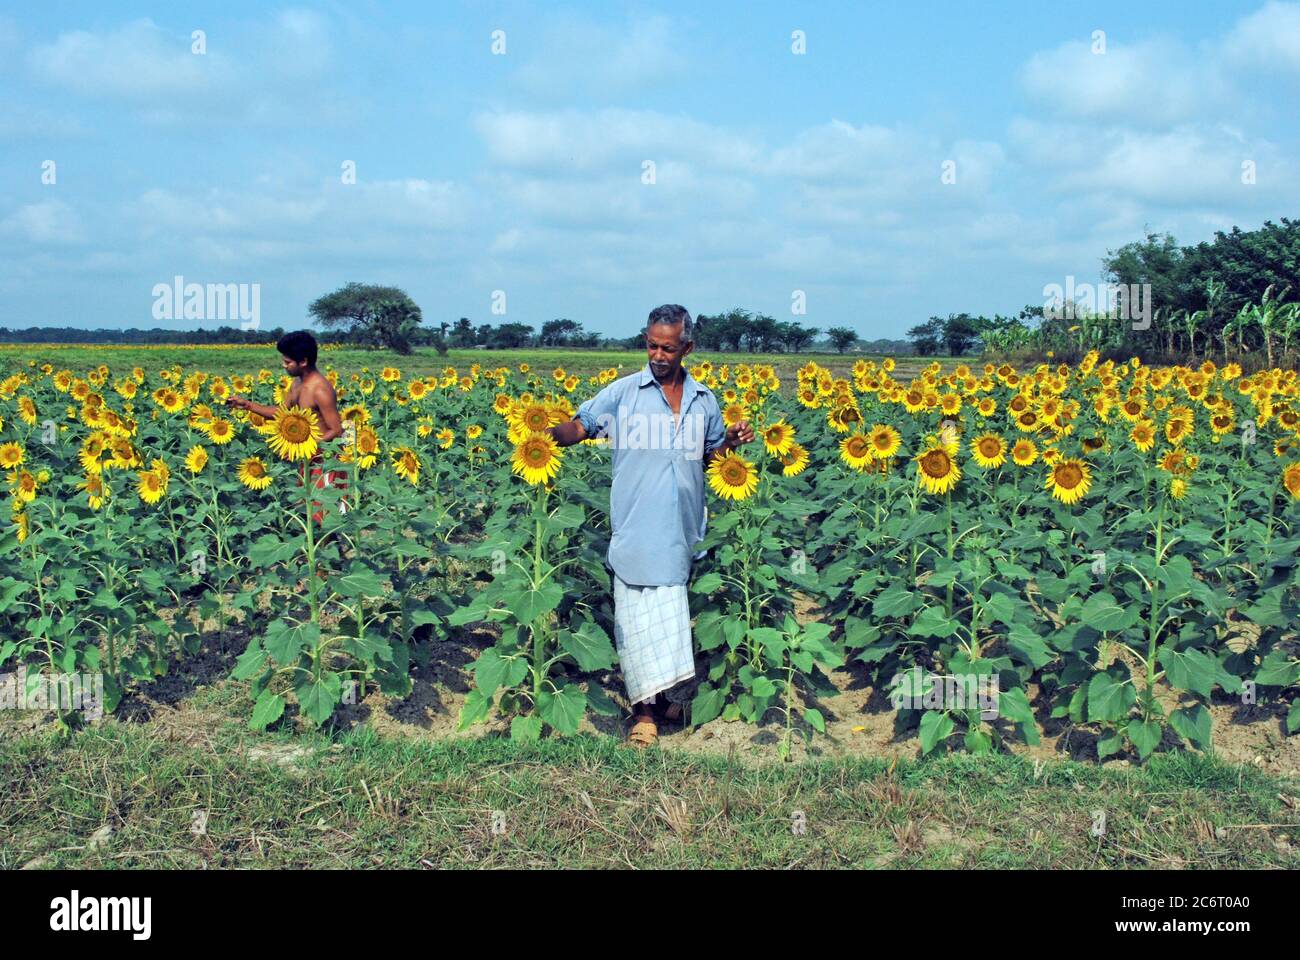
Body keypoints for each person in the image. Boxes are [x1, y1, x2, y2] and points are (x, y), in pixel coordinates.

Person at [545, 305, 755, 747]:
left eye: (668, 347)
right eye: (652, 345)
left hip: (681, 528)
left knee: (672, 619)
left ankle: (668, 700)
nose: (658, 355)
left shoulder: (704, 400)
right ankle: (643, 715)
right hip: (637, 527)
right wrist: (542, 436)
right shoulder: (624, 394)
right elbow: (580, 426)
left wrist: (730, 444)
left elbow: (710, 455)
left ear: (687, 348)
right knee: (638, 620)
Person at [227, 330, 346, 524]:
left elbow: (336, 430)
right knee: (307, 510)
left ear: (303, 361)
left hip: (325, 460)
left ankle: (328, 551)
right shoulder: (298, 384)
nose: (284, 366)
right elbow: (281, 413)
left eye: (287, 362)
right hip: (308, 458)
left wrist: (306, 448)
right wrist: (247, 405)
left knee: (324, 515)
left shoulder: (321, 390)